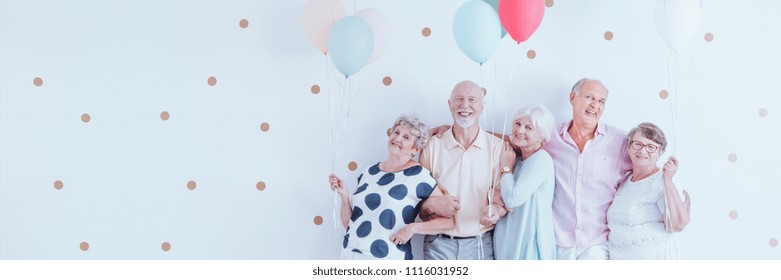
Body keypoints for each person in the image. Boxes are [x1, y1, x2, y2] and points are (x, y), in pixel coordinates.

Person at [329, 115, 453, 260]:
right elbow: (350, 225)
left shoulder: (420, 175)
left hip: (389, 258)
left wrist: (412, 228)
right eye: (396, 132)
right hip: (350, 254)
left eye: (406, 137)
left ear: (416, 148)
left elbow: (448, 222)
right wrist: (344, 196)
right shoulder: (369, 172)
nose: (398, 138)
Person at [543, 78, 632, 260]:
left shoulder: (620, 141)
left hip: (596, 245)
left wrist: (673, 190)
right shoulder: (549, 136)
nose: (595, 105)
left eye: (601, 101)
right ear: (572, 98)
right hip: (557, 242)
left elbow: (646, 169)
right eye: (589, 97)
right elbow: (517, 140)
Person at [418, 80, 507, 260]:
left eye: (472, 99)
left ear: (482, 107)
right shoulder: (431, 146)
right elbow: (415, 202)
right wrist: (430, 205)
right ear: (450, 105)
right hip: (438, 243)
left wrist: (495, 212)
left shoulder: (498, 148)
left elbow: (501, 199)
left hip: (481, 242)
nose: (464, 105)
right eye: (459, 98)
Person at [607, 122, 690, 259]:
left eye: (651, 147)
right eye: (638, 144)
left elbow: (678, 224)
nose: (643, 151)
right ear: (629, 147)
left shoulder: (664, 180)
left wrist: (668, 181)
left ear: (660, 153)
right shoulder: (625, 181)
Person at [494, 104, 557, 260]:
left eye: (529, 127)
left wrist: (506, 168)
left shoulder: (541, 159)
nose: (520, 130)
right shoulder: (519, 159)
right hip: (508, 244)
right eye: (518, 124)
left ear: (542, 135)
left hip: (530, 248)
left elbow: (512, 199)